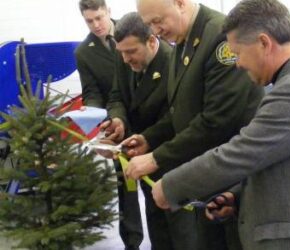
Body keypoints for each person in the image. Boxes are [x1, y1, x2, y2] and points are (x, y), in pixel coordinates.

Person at [151, 0, 290, 249]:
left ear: (264, 43)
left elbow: (238, 155)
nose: (237, 63)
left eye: (238, 52)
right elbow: (283, 163)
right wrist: (236, 196)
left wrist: (170, 187)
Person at [115, 0, 264, 249]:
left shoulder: (220, 37)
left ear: (180, 3)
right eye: (149, 23)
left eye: (158, 21)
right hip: (206, 177)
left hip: (233, 180)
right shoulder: (182, 41)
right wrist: (149, 139)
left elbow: (217, 120)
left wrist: (157, 158)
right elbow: (182, 111)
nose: (154, 30)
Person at [74, 1, 143, 249]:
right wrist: (91, 114)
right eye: (89, 21)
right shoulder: (84, 53)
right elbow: (92, 91)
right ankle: (132, 242)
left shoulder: (133, 29)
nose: (96, 25)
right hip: (116, 127)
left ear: (109, 12)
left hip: (147, 119)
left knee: (159, 180)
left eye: (99, 18)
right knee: (127, 188)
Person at [103, 12, 173, 250]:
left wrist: (147, 139)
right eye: (121, 52)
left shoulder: (172, 63)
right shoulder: (124, 56)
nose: (125, 59)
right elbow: (116, 96)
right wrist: (118, 120)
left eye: (131, 52)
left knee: (179, 233)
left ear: (152, 41)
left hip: (168, 160)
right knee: (156, 229)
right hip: (139, 158)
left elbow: (176, 117)